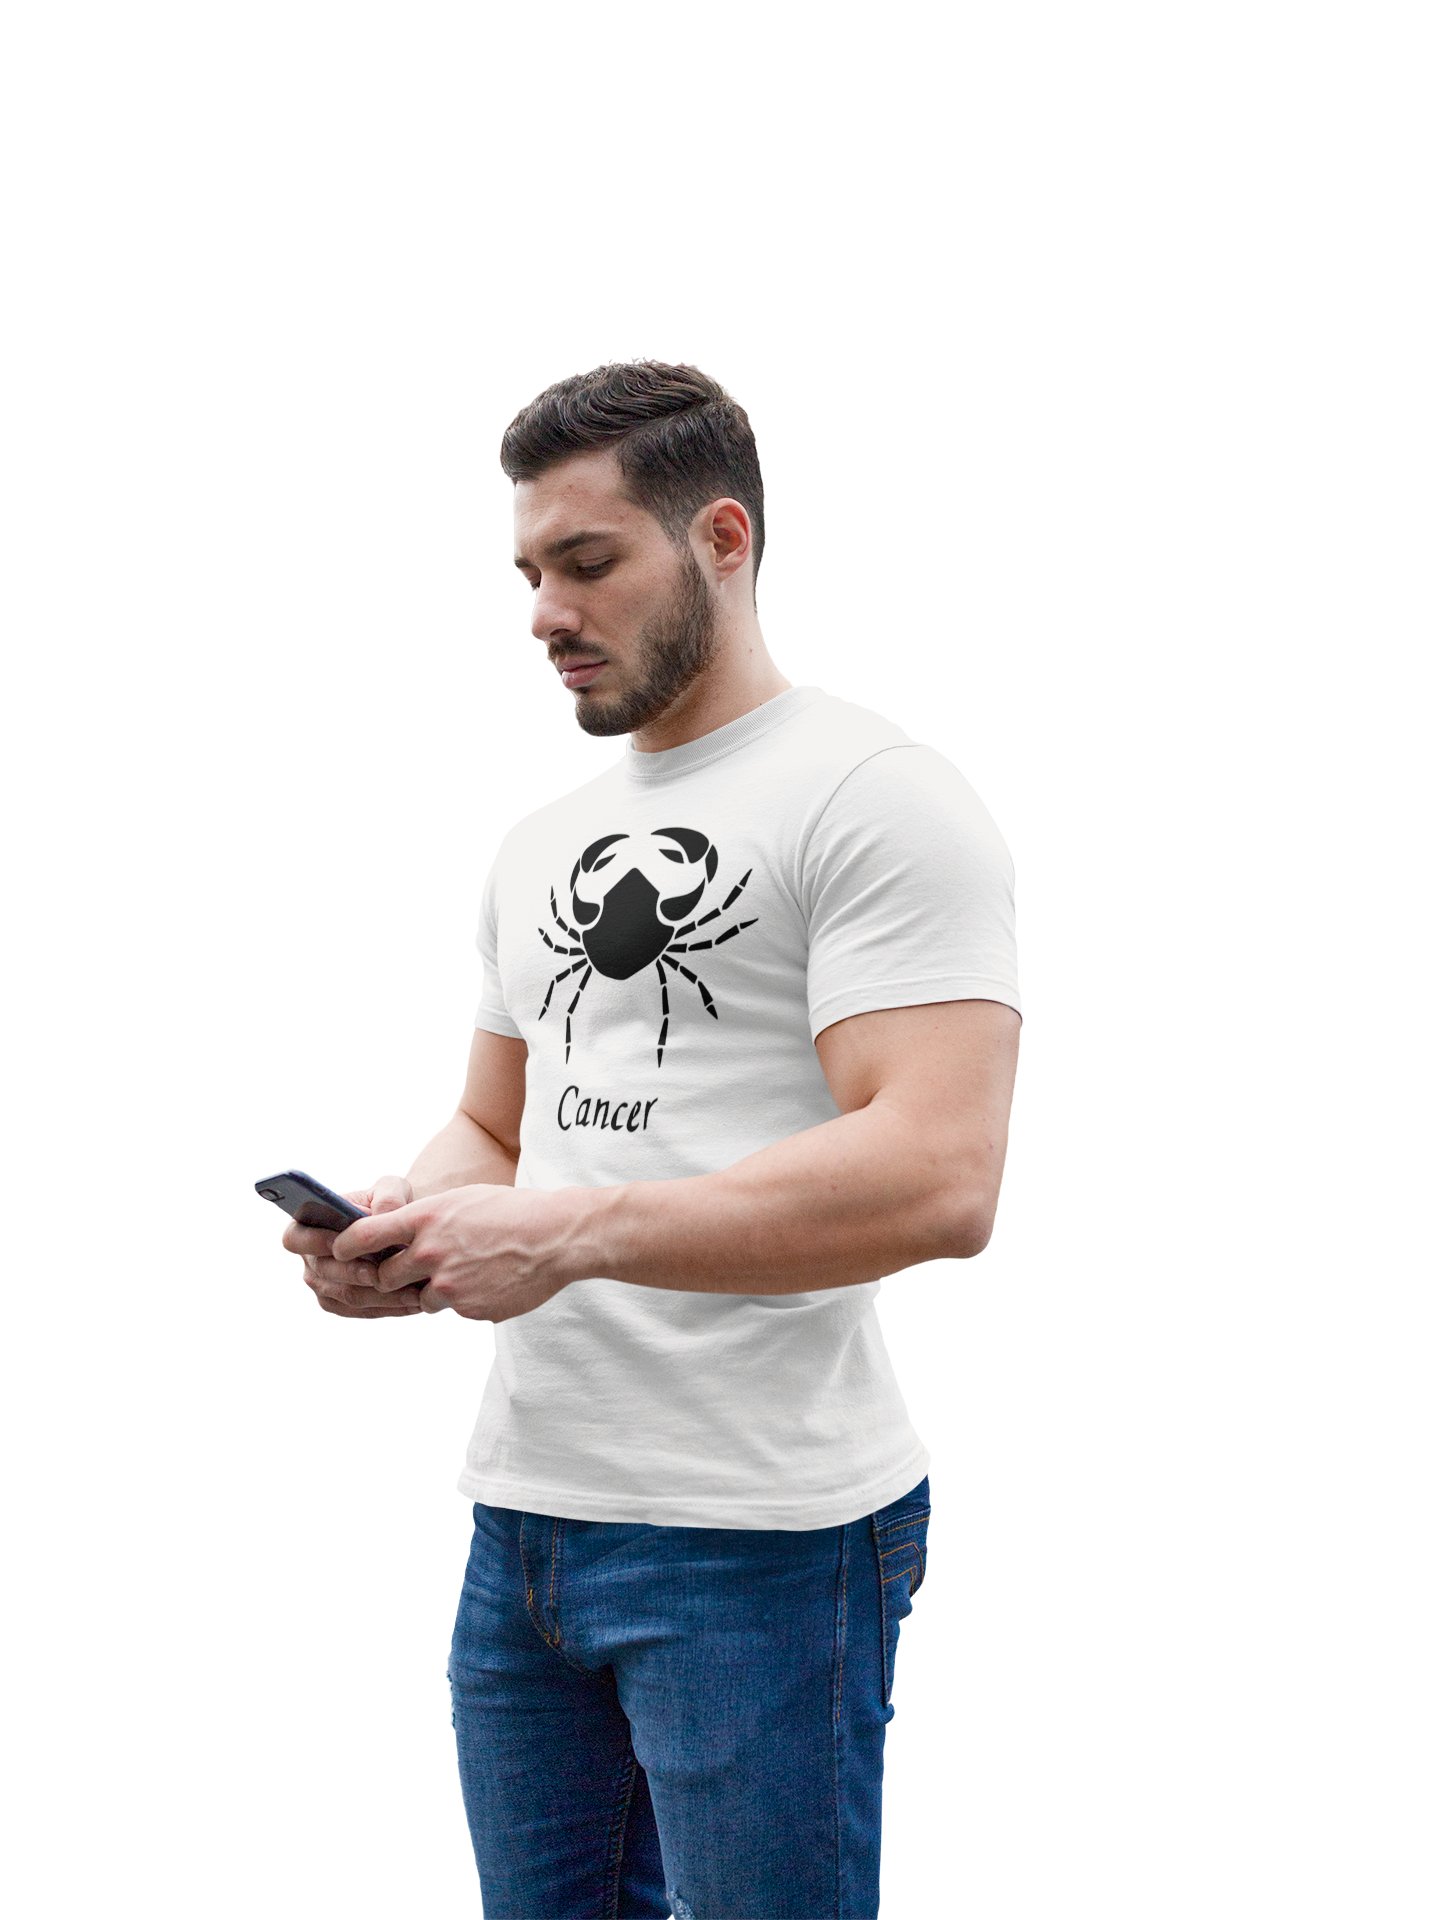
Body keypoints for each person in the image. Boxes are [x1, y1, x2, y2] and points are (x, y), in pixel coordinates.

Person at [282, 360, 1022, 1918]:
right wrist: (405, 1220)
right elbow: (499, 1125)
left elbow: (940, 1174)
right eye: (529, 574)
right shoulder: (540, 843)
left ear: (722, 539)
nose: (546, 611)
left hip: (758, 1537)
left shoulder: (876, 797)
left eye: (589, 561)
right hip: (527, 1523)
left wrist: (566, 1234)